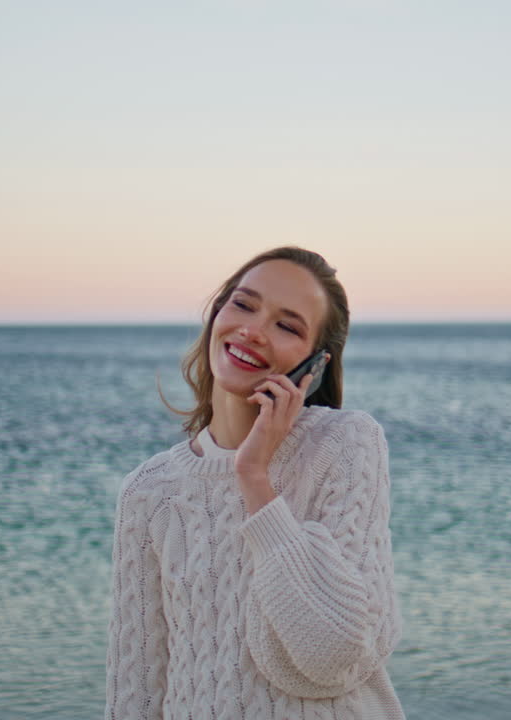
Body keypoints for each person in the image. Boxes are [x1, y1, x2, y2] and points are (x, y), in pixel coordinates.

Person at [105, 247, 404, 719]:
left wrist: (254, 478)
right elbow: (136, 691)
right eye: (243, 305)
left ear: (315, 364)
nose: (252, 331)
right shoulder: (149, 491)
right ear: (217, 313)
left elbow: (336, 655)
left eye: (287, 326)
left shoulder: (346, 444)